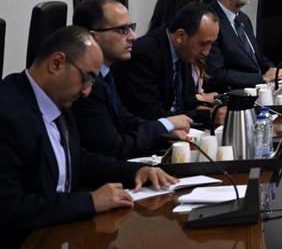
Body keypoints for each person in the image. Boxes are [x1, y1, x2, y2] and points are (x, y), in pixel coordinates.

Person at [0, 26, 176, 245]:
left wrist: (136, 171)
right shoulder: (8, 114)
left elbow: (77, 160)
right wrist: (90, 201)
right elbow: (9, 207)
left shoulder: (57, 99)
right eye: (86, 78)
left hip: (60, 232)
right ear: (56, 63)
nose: (87, 91)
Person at [70, 0, 192, 159]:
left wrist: (164, 130)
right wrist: (165, 125)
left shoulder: (106, 73)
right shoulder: (87, 85)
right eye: (122, 30)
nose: (133, 36)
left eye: (131, 27)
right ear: (93, 37)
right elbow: (113, 148)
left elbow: (124, 119)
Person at [115, 3, 222, 128]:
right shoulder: (144, 54)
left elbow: (185, 100)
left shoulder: (183, 50)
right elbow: (149, 114)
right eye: (203, 44)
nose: (206, 52)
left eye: (211, 44)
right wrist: (206, 116)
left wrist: (214, 107)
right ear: (180, 36)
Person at [206, 0, 279, 89]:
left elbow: (256, 58)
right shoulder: (210, 22)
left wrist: (275, 71)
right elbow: (216, 74)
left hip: (260, 89)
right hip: (234, 93)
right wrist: (261, 78)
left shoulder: (243, 18)